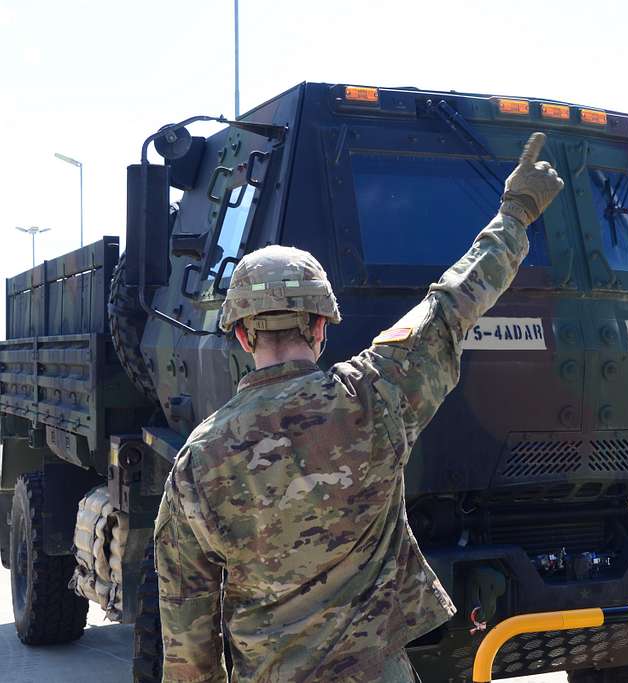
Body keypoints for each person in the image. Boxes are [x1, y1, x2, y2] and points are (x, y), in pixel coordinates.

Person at [155, 133, 564, 682]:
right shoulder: (373, 397)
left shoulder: (198, 461)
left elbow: (186, 634)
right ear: (321, 327)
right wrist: (516, 212)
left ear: (242, 335)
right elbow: (451, 305)